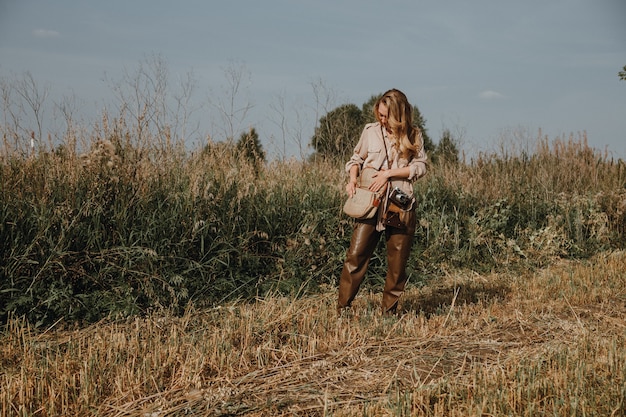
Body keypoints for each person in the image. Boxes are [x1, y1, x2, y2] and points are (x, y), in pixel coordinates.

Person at [338, 89, 428, 315]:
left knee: (397, 263)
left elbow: (421, 167)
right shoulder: (370, 131)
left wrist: (389, 174)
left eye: (387, 115)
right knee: (356, 255)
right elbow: (355, 159)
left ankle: (389, 312)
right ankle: (343, 309)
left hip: (399, 204)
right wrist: (352, 179)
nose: (382, 119)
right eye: (380, 114)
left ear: (399, 115)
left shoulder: (413, 135)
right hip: (371, 203)